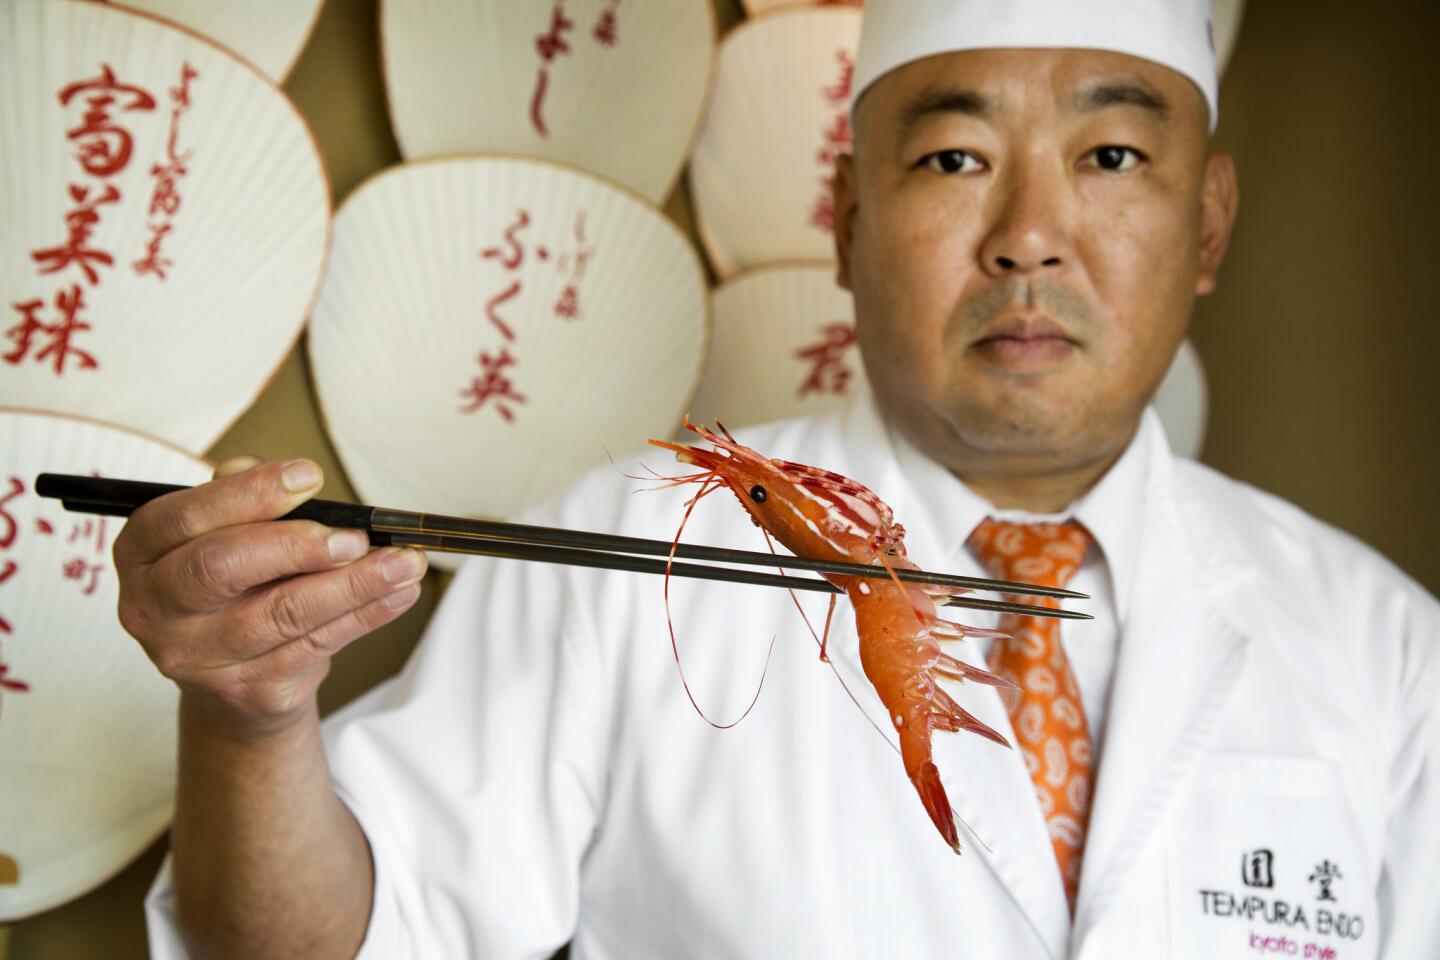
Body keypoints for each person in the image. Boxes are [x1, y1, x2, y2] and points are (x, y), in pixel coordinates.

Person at [130, 0, 1440, 957]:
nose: (1029, 237)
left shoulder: (1382, 645)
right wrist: (247, 725)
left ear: (1205, 222)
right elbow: (336, 943)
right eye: (954, 160)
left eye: (1109, 157)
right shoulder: (624, 551)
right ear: (850, 219)